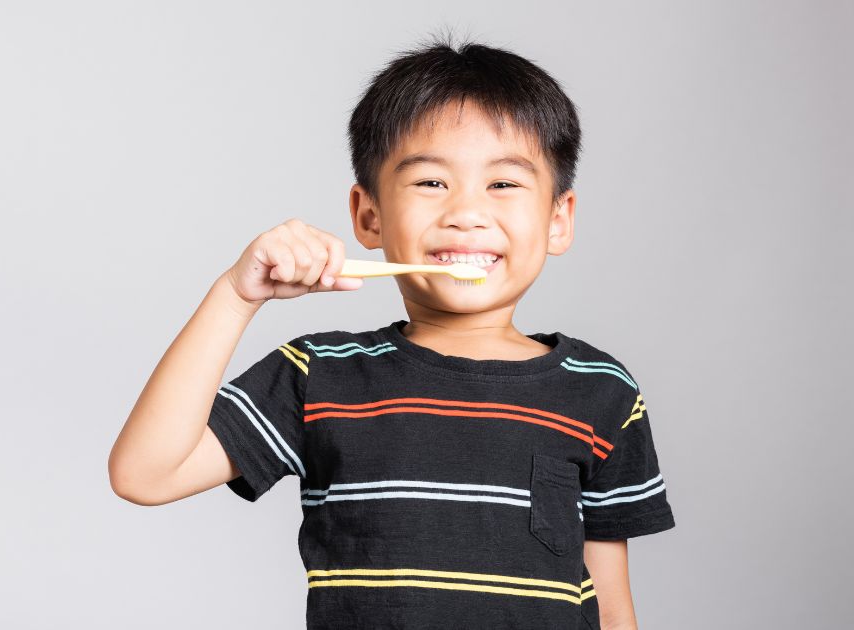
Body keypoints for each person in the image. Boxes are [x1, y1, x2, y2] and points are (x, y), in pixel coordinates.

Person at [109, 35, 675, 630]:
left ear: (559, 220)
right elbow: (144, 474)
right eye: (431, 183)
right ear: (368, 216)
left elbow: (610, 603)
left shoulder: (603, 390)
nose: (466, 212)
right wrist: (234, 296)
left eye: (504, 184)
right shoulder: (319, 374)